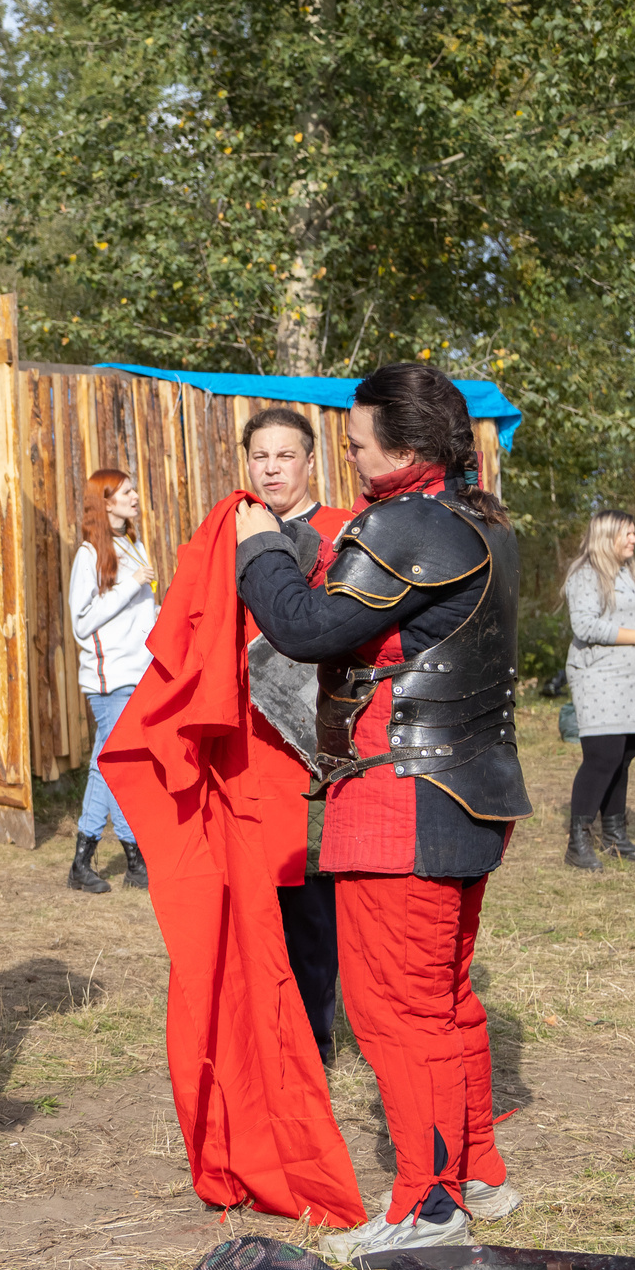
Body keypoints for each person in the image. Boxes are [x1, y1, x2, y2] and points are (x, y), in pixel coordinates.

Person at [229, 363, 531, 1261]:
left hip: (404, 793)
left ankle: (427, 1204)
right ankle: (474, 1168)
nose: (350, 457)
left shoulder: (410, 522)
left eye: (359, 443)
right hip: (465, 787)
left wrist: (261, 549)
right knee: (440, 999)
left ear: (402, 447)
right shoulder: (482, 518)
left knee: (397, 1010)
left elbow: (310, 628)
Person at [238, 406, 350, 1063]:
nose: (272, 467)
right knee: (257, 900)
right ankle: (266, 1027)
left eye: (285, 455)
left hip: (315, 751)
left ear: (310, 461)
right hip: (249, 751)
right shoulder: (237, 532)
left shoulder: (343, 533)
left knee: (310, 897)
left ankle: (316, 1037)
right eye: (261, 456)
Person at [559, 509, 635, 872]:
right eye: (629, 534)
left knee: (622, 758)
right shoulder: (586, 575)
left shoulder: (634, 574)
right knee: (602, 758)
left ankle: (615, 837)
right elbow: (586, 625)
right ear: (607, 536)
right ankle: (578, 842)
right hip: (601, 680)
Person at [66, 469, 157, 894]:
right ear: (105, 503)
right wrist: (129, 587)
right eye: (126, 492)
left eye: (133, 490)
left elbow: (143, 617)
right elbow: (81, 623)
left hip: (140, 674)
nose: (135, 496)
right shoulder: (89, 554)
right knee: (110, 766)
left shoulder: (133, 545)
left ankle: (117, 861)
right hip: (110, 681)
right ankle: (114, 858)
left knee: (109, 765)